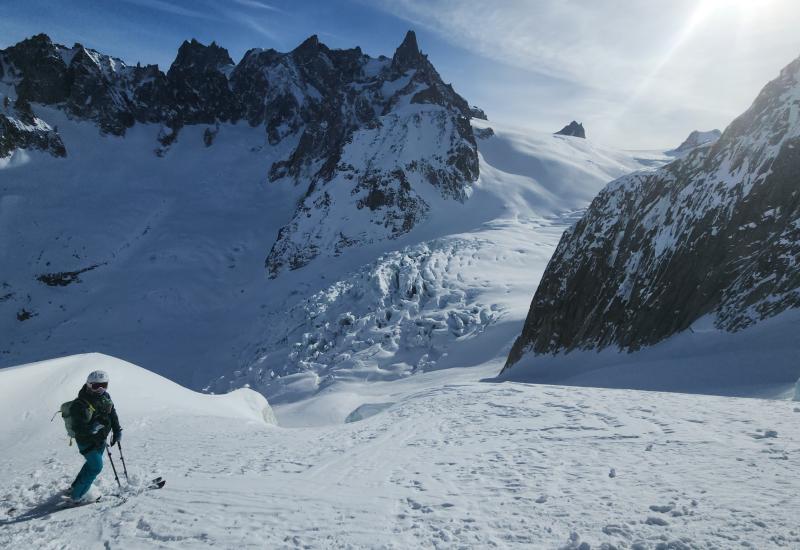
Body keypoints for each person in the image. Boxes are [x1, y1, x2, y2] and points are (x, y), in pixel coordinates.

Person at [68, 370, 122, 503]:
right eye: (96, 386)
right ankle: (77, 496)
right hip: (86, 441)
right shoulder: (80, 404)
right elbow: (77, 428)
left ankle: (76, 486)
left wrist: (116, 430)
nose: (101, 389)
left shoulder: (105, 397)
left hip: (101, 439)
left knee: (91, 465)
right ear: (88, 385)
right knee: (96, 467)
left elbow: (112, 414)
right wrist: (92, 428)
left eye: (104, 385)